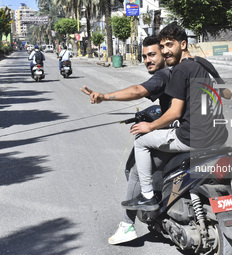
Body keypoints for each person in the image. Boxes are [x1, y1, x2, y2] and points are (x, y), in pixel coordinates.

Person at [121, 23, 230, 212]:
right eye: (162, 47)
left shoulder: (180, 70)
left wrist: (150, 126)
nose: (165, 51)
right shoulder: (203, 63)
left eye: (170, 45)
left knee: (141, 141)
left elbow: (174, 113)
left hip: (191, 137)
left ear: (183, 44)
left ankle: (147, 195)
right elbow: (227, 93)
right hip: (219, 136)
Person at [81, 36, 172, 245]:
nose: (148, 59)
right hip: (204, 132)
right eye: (144, 56)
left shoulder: (163, 75)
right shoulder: (185, 69)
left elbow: (138, 90)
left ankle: (127, 225)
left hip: (179, 134)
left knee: (137, 172)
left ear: (164, 53)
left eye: (152, 54)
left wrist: (104, 96)